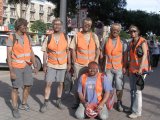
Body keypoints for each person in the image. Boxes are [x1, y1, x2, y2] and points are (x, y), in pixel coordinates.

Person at [6, 18, 38, 118]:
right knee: (15, 88)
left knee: (28, 86)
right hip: (16, 67)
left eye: (26, 25)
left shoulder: (27, 37)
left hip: (27, 66)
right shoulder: (12, 37)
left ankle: (23, 104)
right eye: (24, 25)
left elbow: (31, 52)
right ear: (18, 26)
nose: (25, 27)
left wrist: (35, 65)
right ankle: (15, 109)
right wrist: (11, 71)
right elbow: (9, 55)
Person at [40, 18, 71, 112]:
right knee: (48, 83)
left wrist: (69, 63)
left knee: (60, 83)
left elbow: (68, 51)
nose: (57, 26)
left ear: (61, 26)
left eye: (58, 24)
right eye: (55, 24)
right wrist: (44, 64)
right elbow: (45, 52)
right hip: (51, 64)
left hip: (62, 65)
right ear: (52, 26)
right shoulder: (48, 37)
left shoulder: (66, 37)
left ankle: (58, 101)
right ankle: (45, 103)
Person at [69, 17, 100, 108]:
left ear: (91, 26)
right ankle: (76, 101)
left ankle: (91, 100)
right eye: (85, 24)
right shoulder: (77, 35)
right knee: (77, 83)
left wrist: (96, 60)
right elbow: (72, 49)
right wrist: (74, 62)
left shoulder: (94, 36)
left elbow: (98, 49)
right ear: (82, 24)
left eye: (89, 25)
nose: (87, 26)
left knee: (92, 83)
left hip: (91, 65)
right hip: (79, 64)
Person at [103, 23, 128, 112]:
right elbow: (102, 54)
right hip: (108, 68)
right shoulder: (106, 40)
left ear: (119, 31)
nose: (115, 31)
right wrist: (102, 67)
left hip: (119, 68)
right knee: (107, 87)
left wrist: (125, 66)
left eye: (117, 29)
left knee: (119, 86)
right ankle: (107, 102)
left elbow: (125, 55)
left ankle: (119, 102)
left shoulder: (123, 41)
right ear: (111, 29)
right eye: (114, 29)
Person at [128, 25, 150, 118]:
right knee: (132, 90)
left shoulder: (143, 41)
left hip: (142, 70)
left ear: (138, 32)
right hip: (133, 69)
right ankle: (132, 108)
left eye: (134, 31)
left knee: (138, 91)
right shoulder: (131, 42)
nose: (132, 33)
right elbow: (131, 57)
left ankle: (137, 112)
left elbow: (145, 55)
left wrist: (140, 69)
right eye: (131, 31)